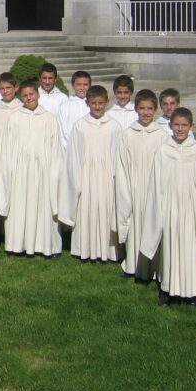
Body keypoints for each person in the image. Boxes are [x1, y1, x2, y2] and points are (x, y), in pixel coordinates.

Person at [140, 108, 196, 307]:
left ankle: (193, 291)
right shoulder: (163, 150)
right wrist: (160, 210)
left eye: (184, 125)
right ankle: (168, 289)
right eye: (176, 125)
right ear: (170, 126)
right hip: (170, 207)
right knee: (170, 247)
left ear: (191, 126)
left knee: (191, 248)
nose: (180, 129)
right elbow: (156, 184)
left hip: (192, 207)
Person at [0, 81, 64, 257]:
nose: (29, 98)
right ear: (21, 97)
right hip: (20, 170)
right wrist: (9, 171)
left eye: (31, 94)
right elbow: (7, 148)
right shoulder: (15, 118)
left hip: (43, 171)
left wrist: (54, 173)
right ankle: (17, 244)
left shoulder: (49, 119)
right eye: (25, 96)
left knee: (43, 208)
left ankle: (45, 245)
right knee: (20, 207)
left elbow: (56, 149)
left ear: (38, 94)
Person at [58, 85, 122, 262]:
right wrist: (77, 181)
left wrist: (116, 177)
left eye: (101, 103)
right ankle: (84, 249)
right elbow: (74, 156)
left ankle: (107, 251)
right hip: (86, 176)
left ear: (107, 103)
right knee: (86, 210)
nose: (97, 106)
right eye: (93, 103)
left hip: (107, 176)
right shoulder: (80, 126)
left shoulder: (114, 126)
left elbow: (118, 154)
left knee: (106, 211)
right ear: (87, 103)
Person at [114, 89, 169, 279]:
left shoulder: (162, 135)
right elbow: (122, 163)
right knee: (135, 225)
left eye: (149, 109)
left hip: (153, 188)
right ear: (136, 109)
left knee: (153, 225)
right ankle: (133, 265)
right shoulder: (128, 134)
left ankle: (154, 268)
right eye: (142, 108)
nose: (145, 112)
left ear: (155, 110)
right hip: (134, 186)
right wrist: (125, 188)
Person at [57, 71, 92, 147]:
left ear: (90, 86)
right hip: (71, 148)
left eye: (85, 85)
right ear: (73, 85)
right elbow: (62, 130)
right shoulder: (65, 106)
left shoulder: (93, 105)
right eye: (79, 85)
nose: (82, 88)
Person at [0, 72, 21, 143]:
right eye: (2, 88)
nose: (5, 91)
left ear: (16, 88)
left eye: (8, 87)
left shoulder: (22, 108)